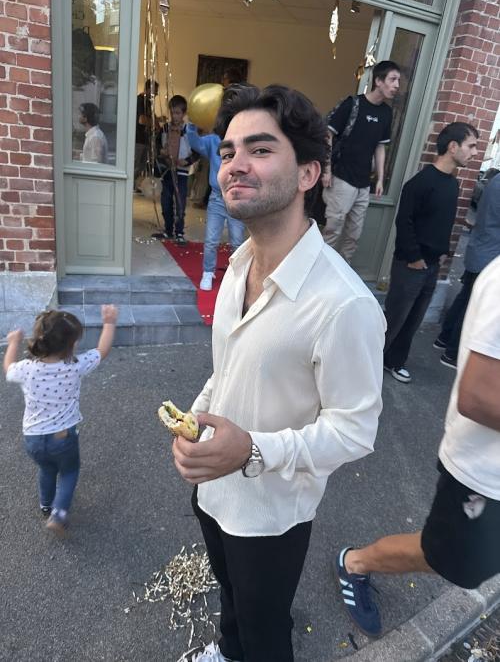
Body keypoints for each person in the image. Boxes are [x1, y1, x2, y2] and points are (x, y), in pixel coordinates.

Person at [172, 84, 386, 662]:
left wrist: (252, 450)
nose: (235, 164)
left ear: (309, 174)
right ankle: (226, 651)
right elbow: (227, 369)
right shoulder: (238, 265)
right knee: (230, 600)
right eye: (228, 151)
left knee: (265, 630)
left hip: (270, 518)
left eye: (261, 149)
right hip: (213, 492)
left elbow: (355, 431)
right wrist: (196, 418)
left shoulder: (344, 304)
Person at [336, 254, 500, 638]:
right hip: (484, 472)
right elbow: (476, 395)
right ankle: (355, 562)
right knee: (452, 559)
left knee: (470, 560)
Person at [3, 306, 118, 535]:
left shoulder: (27, 369)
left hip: (33, 439)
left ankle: (46, 505)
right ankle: (59, 513)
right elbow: (102, 351)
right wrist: (109, 323)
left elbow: (8, 369)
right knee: (68, 471)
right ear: (70, 345)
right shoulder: (74, 366)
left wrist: (13, 342)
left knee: (46, 469)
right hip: (63, 437)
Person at [383, 122, 479, 383]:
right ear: (453, 146)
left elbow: (441, 223)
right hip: (410, 265)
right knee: (394, 318)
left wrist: (443, 253)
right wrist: (414, 258)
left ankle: (394, 361)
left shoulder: (453, 184)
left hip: (432, 266)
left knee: (413, 320)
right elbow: (404, 223)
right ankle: (368, 361)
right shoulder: (420, 183)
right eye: (471, 146)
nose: (474, 153)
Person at [322, 60, 400, 262]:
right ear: (378, 81)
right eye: (392, 79)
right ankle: (320, 270)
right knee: (333, 230)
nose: (396, 85)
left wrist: (380, 179)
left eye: (398, 81)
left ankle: (343, 272)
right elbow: (328, 135)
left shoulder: (386, 112)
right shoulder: (353, 104)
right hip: (341, 178)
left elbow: (380, 146)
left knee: (353, 236)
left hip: (364, 183)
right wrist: (326, 170)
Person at [434, 172, 500, 369]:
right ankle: (452, 353)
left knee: (465, 298)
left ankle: (444, 338)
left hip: (480, 249)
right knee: (473, 306)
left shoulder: (496, 180)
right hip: (490, 255)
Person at [186, 105, 246, 291]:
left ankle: (236, 276)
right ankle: (208, 272)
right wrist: (192, 125)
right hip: (217, 198)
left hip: (237, 197)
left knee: (237, 241)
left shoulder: (243, 142)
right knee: (211, 240)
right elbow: (195, 143)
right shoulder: (214, 140)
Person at [156, 95, 195, 245]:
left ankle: (179, 232)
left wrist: (188, 161)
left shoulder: (189, 130)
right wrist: (161, 152)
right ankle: (168, 230)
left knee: (180, 203)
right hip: (167, 170)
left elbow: (197, 150)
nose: (174, 116)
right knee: (166, 202)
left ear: (184, 113)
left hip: (182, 172)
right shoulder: (165, 128)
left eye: (178, 113)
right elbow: (157, 145)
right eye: (172, 112)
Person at [135, 79, 159, 190]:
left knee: (141, 166)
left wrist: (157, 120)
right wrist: (154, 123)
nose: (157, 94)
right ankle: (131, 186)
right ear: (149, 89)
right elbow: (141, 120)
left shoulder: (148, 102)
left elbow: (150, 117)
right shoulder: (140, 100)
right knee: (136, 165)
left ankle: (135, 186)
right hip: (138, 139)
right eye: (155, 91)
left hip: (145, 139)